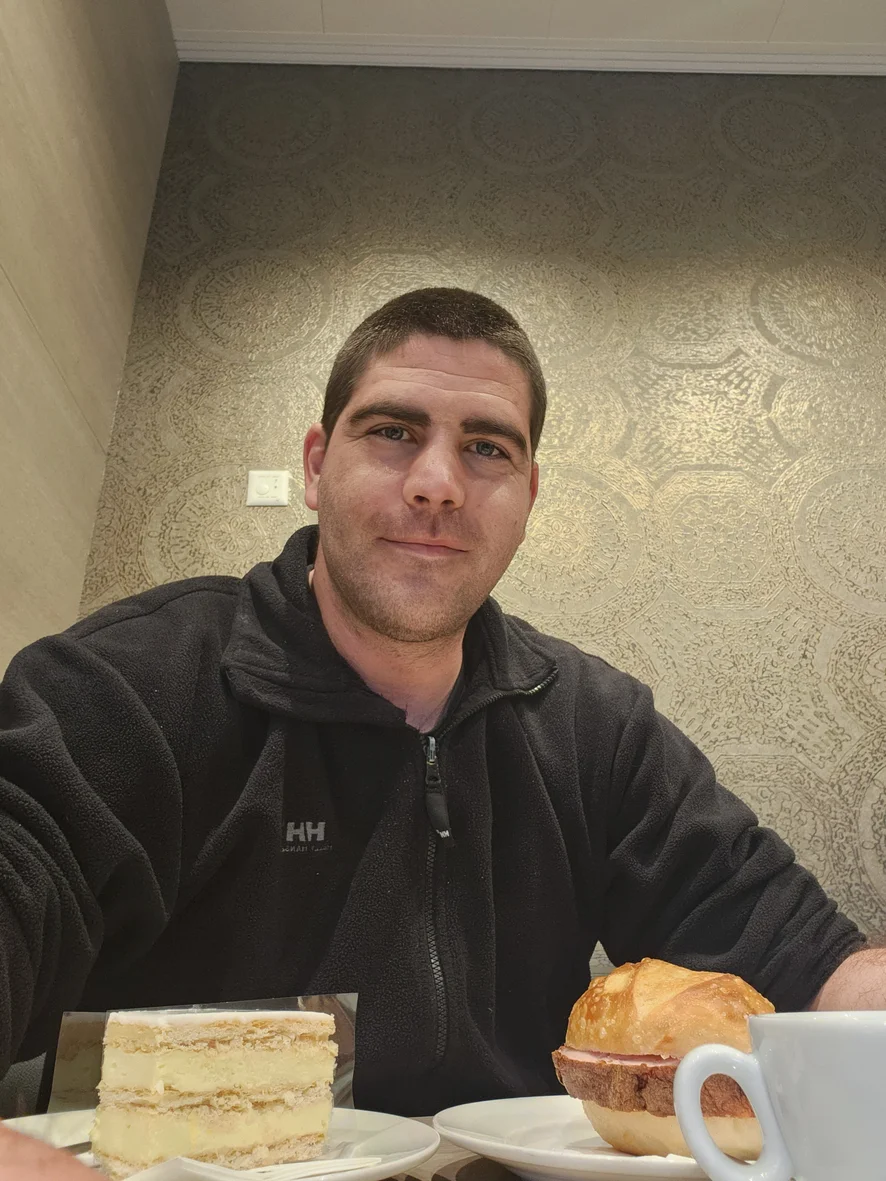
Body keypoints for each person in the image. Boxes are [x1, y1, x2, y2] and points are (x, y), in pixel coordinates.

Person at [0, 288, 883, 1174]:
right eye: (392, 431)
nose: (437, 483)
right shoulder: (128, 687)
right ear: (316, 466)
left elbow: (811, 963)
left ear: (528, 495)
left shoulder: (600, 729)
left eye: (486, 448)